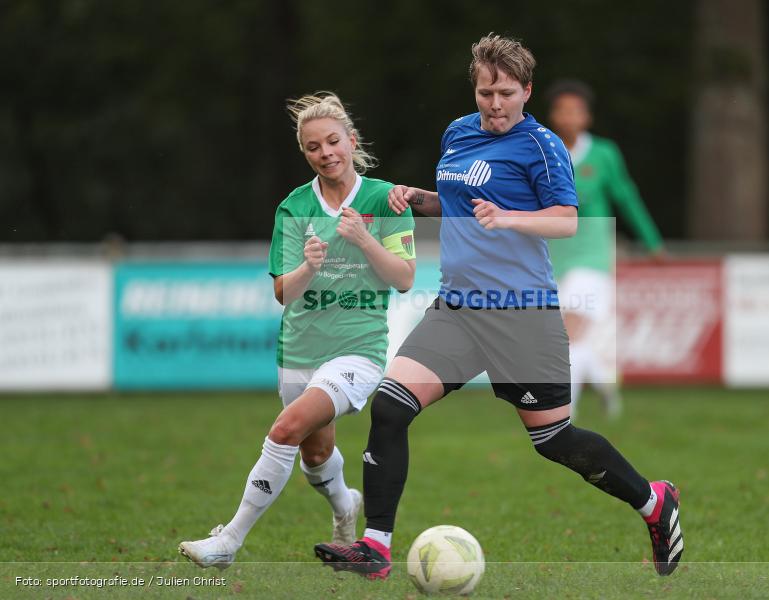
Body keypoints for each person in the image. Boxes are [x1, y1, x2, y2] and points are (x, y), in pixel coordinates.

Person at [313, 34, 683, 579]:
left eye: (507, 93)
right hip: (458, 308)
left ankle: (654, 502)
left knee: (555, 439)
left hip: (521, 314)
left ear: (526, 91)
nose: (495, 103)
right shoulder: (458, 133)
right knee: (391, 405)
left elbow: (566, 219)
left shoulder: (542, 146)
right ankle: (376, 546)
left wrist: (506, 217)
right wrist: (419, 199)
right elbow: (460, 204)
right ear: (476, 89)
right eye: (487, 92)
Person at [178, 93, 416, 569]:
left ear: (352, 140)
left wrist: (365, 239)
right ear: (304, 153)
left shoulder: (384, 198)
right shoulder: (293, 206)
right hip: (299, 349)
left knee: (285, 428)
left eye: (333, 141)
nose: (326, 153)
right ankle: (346, 506)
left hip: (358, 349)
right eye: (313, 147)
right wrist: (309, 267)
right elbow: (284, 292)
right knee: (315, 452)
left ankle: (229, 540)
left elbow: (404, 278)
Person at [545, 79, 665, 420]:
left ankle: (563, 413)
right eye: (562, 110)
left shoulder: (604, 154)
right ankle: (605, 382)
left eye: (576, 110)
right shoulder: (542, 152)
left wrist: (652, 242)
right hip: (554, 255)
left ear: (587, 117)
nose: (568, 116)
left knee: (570, 330)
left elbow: (627, 197)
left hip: (593, 255)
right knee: (569, 336)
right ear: (553, 116)